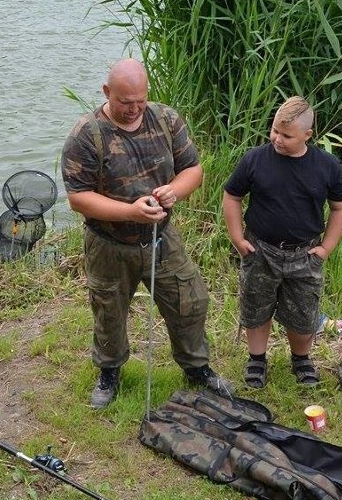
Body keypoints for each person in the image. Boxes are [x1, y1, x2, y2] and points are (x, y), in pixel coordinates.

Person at [61, 58, 234, 409]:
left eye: (140, 100)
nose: (134, 109)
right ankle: (109, 372)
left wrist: (175, 191)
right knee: (108, 309)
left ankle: (197, 368)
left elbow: (193, 171)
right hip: (108, 243)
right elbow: (78, 198)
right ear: (107, 92)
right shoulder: (86, 134)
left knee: (190, 301)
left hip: (160, 236)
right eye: (125, 102)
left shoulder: (166, 119)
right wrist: (130, 211)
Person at [222, 96, 342, 388]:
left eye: (287, 135)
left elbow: (341, 207)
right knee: (256, 306)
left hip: (305, 253)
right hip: (260, 249)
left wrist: (325, 248)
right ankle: (257, 359)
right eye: (275, 131)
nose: (278, 139)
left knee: (304, 311)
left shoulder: (326, 166)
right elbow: (232, 196)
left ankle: (301, 359)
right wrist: (237, 237)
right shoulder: (255, 159)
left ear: (307, 135)